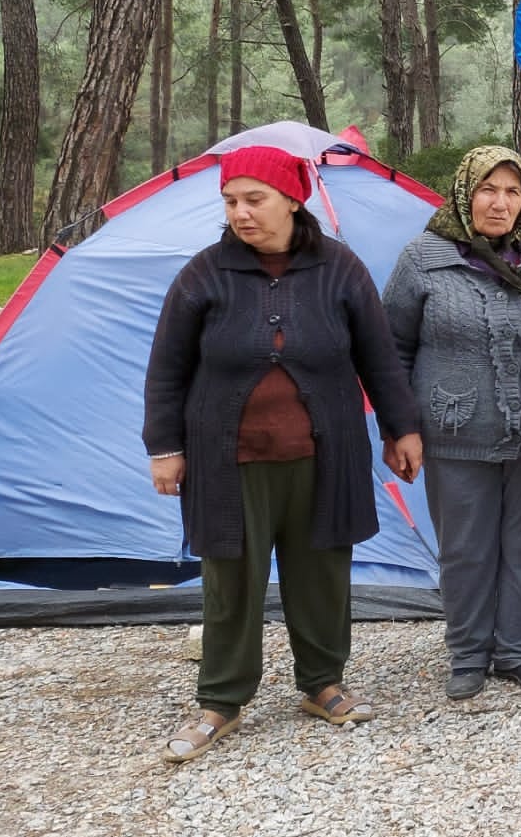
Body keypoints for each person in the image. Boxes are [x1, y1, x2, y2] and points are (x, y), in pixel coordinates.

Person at [144, 145, 421, 763]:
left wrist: (402, 429)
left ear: (292, 201)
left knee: (323, 571)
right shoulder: (204, 273)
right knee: (231, 580)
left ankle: (322, 685)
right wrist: (164, 448)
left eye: (254, 199)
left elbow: (378, 358)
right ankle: (220, 700)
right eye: (230, 201)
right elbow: (167, 369)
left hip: (323, 456)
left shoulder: (340, 270)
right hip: (228, 459)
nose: (241, 213)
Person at [382, 146, 521, 701]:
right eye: (488, 190)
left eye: (513, 192)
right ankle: (470, 654)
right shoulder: (423, 259)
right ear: (464, 193)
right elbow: (393, 349)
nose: (500, 203)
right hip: (456, 432)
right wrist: (399, 428)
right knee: (467, 547)